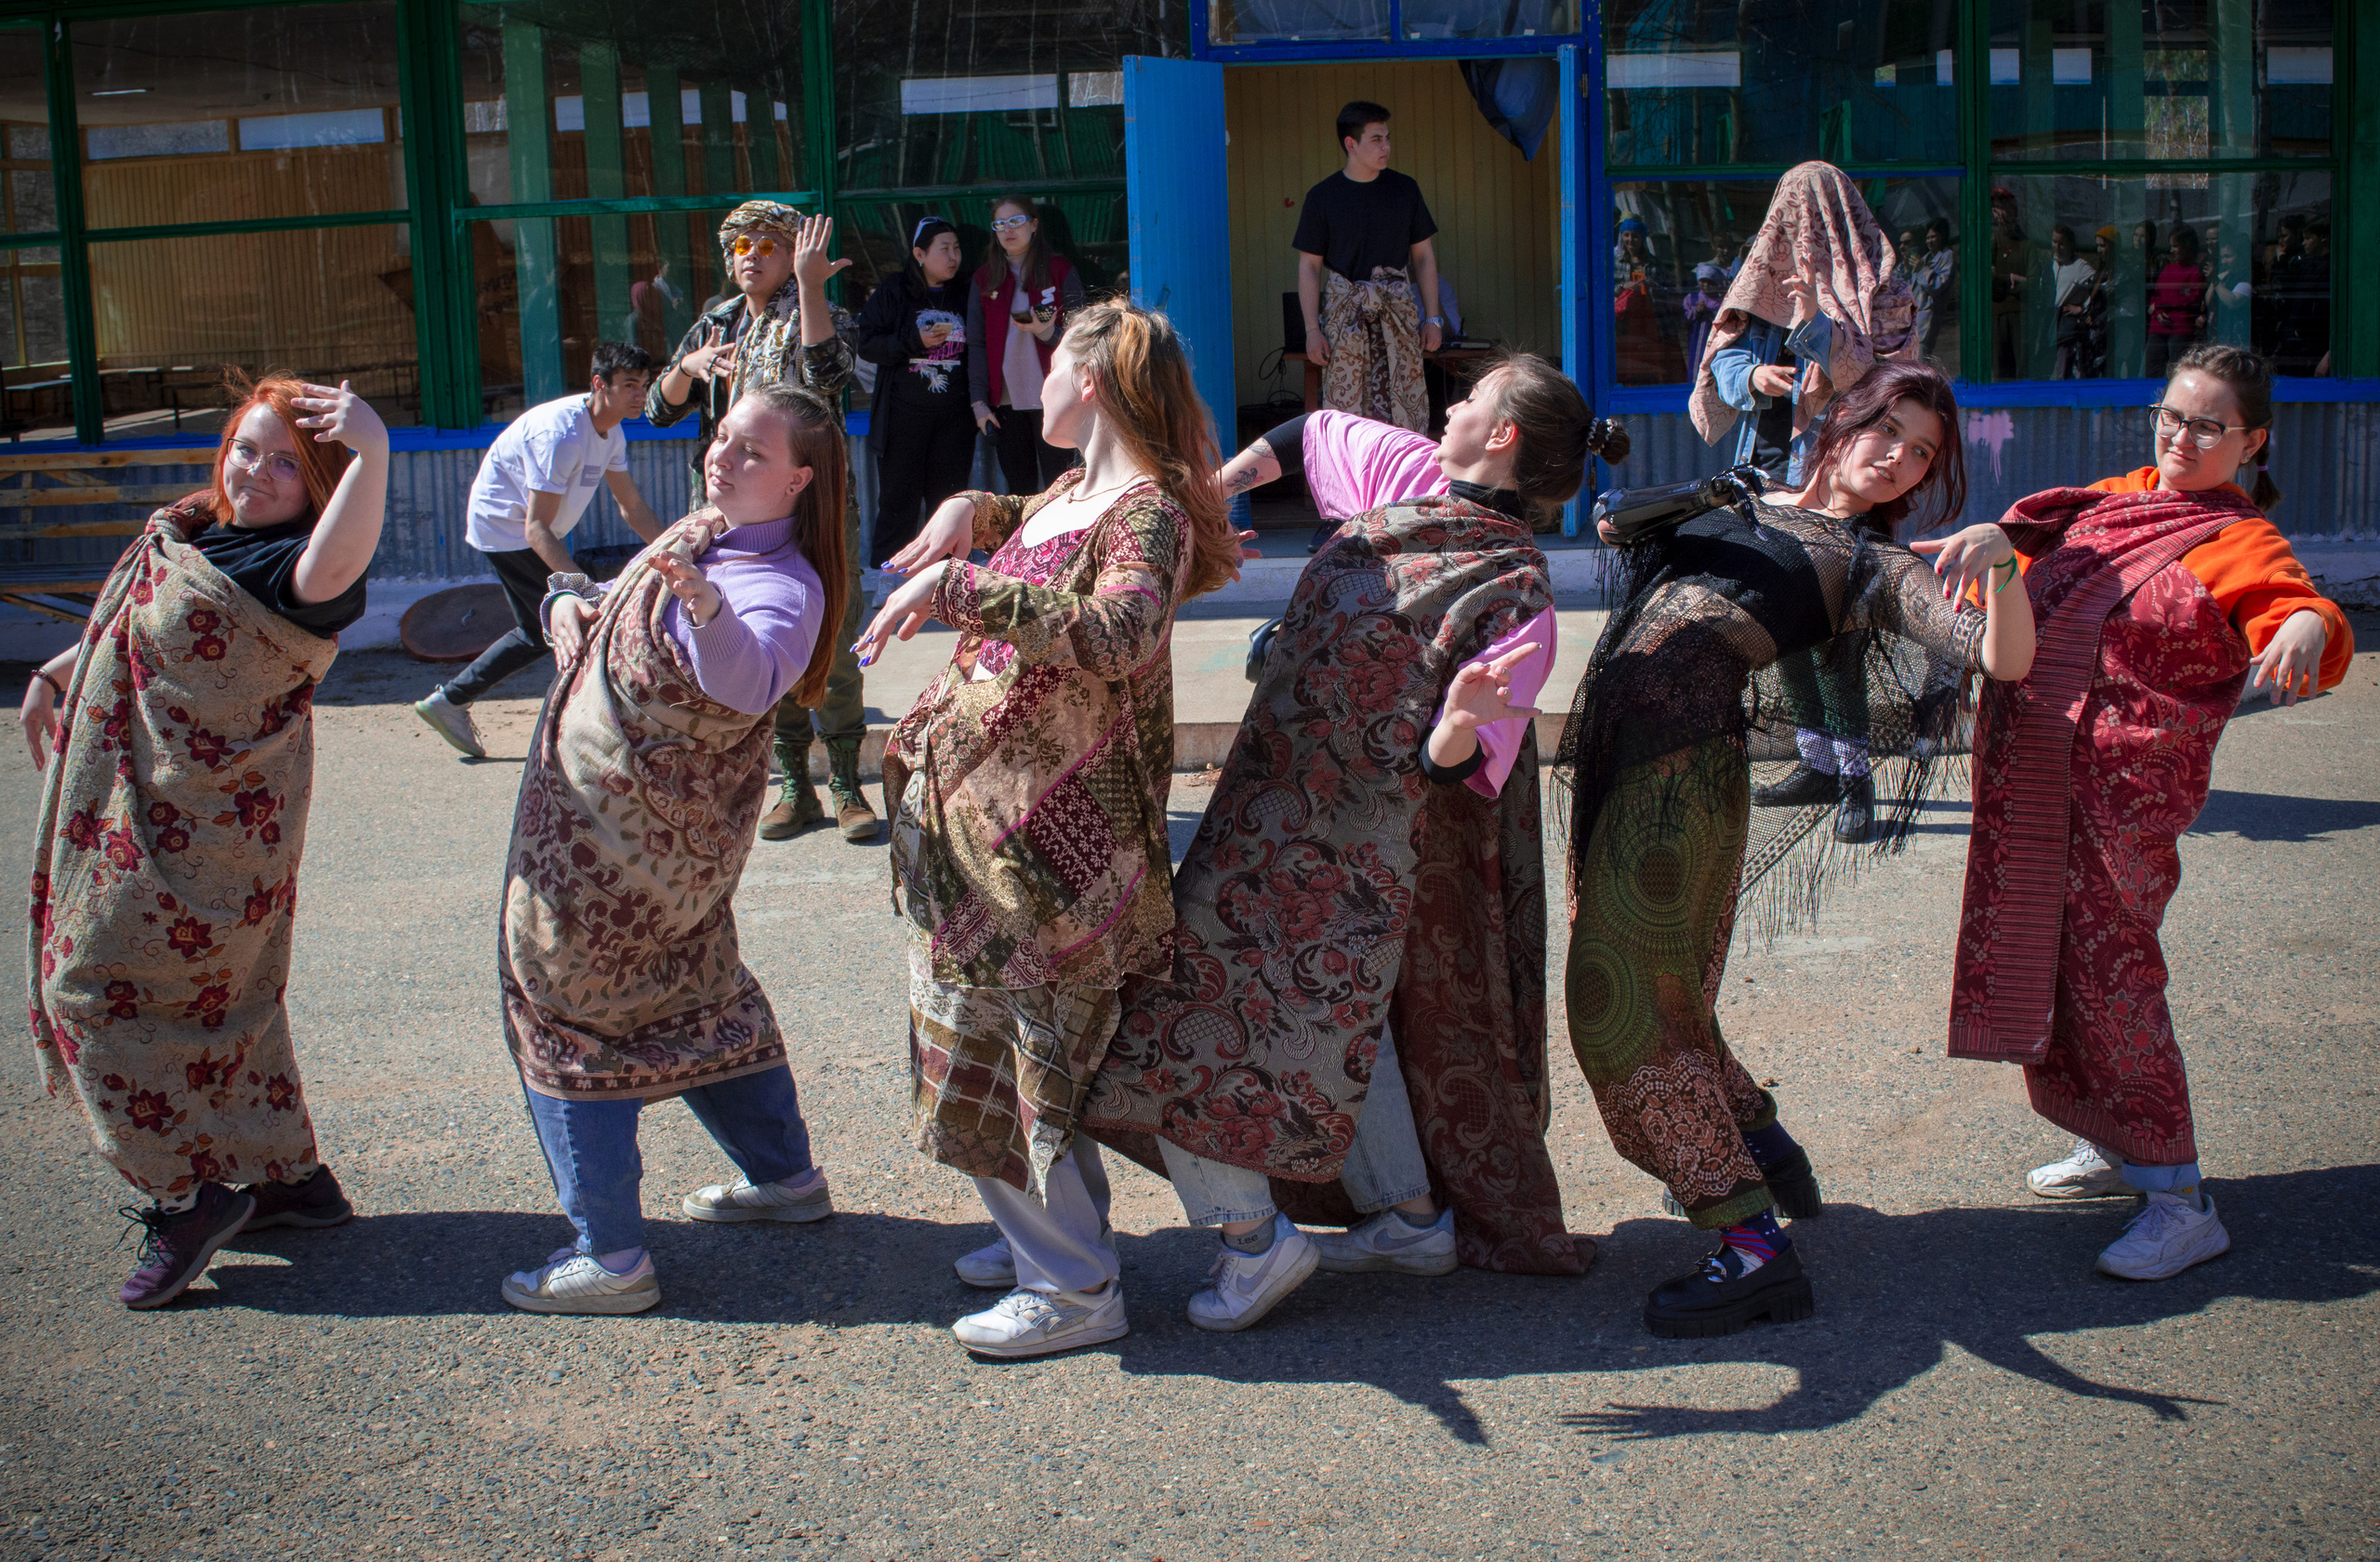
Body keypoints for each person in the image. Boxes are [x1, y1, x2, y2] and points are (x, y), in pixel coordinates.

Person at [1081, 360, 1629, 1332]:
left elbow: (1471, 768)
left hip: (1361, 856)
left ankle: (1250, 1239)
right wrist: (1209, 498)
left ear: (1501, 435)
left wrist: (1456, 724)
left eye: (1472, 398)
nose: (1450, 406)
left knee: (1186, 1012)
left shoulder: (1520, 588)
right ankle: (1409, 1214)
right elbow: (1307, 436)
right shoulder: (1406, 476)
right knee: (1347, 1026)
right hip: (1271, 808)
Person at [1560, 361, 2037, 1338]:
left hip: (1678, 786)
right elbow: (1609, 521)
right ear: (1840, 422)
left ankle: (1750, 1246)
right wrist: (1709, 492)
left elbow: (2002, 658)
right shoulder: (1742, 490)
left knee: (1615, 1013)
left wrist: (2001, 564)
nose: (1897, 460)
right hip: (1619, 764)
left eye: (1921, 455)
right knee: (1662, 997)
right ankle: (1763, 1146)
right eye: (1887, 432)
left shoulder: (1872, 566)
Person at [858, 300, 1237, 1359]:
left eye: (1050, 362)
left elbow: (1117, 636)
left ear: (1098, 381)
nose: (1031, 378)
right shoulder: (1077, 492)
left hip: (1055, 843)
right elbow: (1022, 515)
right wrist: (967, 513)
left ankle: (1071, 1286)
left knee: (1019, 1042)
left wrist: (963, 586)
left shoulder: (1146, 515)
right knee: (987, 1036)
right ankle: (1046, 1233)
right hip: (987, 827)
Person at [1950, 345, 2350, 1282]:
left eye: (2208, 426)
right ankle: (2109, 1137)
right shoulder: (2111, 497)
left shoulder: (2238, 537)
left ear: (2252, 442)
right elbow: (2023, 545)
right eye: (2171, 414)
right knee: (2052, 965)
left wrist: (2307, 624)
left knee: (2114, 976)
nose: (2180, 438)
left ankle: (2179, 1198)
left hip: (2126, 799)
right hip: (2040, 777)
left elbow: (2299, 611)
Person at [22, 375, 390, 1308]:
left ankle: (184, 1199)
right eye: (246, 449)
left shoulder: (295, 572)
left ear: (321, 489)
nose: (258, 473)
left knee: (89, 993)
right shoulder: (190, 533)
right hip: (151, 822)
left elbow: (335, 563)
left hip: (208, 843)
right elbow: (139, 621)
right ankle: (290, 1183)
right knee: (237, 1001)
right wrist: (63, 666)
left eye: (289, 465)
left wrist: (375, 453)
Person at [497, 384, 851, 1316]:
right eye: (722, 440)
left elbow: (749, 679)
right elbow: (617, 612)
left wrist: (701, 609)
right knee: (698, 996)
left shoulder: (779, 581)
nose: (722, 459)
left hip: (612, 877)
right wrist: (574, 609)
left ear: (799, 480)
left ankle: (610, 1257)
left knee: (571, 1015)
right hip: (661, 873)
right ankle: (785, 1182)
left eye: (751, 453)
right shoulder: (704, 535)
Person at [1691, 162, 1918, 845]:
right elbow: (1722, 357)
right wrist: (1752, 374)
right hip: (1768, 477)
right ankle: (1817, 765)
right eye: (1789, 216)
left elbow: (1890, 377)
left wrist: (1818, 324)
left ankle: (1857, 781)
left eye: (1813, 216)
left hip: (1843, 484)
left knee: (1838, 637)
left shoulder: (1885, 288)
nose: (1800, 231)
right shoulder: (1758, 280)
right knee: (1786, 625)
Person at [645, 203, 878, 845]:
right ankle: (794, 787)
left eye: (768, 245)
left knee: (830, 637)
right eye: (741, 245)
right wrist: (681, 373)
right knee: (749, 637)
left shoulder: (822, 310)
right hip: (733, 517)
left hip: (816, 506)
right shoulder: (716, 325)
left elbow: (830, 376)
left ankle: (846, 783)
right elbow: (656, 412)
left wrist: (809, 287)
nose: (751, 255)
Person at [414, 342, 666, 758]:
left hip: (533, 531)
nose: (640, 394)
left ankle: (452, 700)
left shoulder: (612, 431)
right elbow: (535, 529)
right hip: (506, 529)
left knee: (540, 630)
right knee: (575, 622)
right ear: (599, 384)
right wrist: (581, 589)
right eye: (630, 385)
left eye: (644, 384)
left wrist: (674, 550)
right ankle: (591, 731)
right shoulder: (562, 436)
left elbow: (632, 506)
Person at [1294, 100, 1443, 431]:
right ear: (1351, 143)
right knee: (1346, 416)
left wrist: (1432, 318)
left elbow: (1423, 257)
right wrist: (1311, 330)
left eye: (1387, 138)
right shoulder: (1323, 197)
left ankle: (1405, 478)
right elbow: (1309, 267)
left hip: (1399, 316)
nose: (1386, 146)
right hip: (1344, 319)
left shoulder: (1405, 189)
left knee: (1406, 407)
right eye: (1377, 139)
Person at [857, 216, 977, 568]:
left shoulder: (967, 291)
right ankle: (889, 575)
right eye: (944, 249)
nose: (953, 256)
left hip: (954, 420)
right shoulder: (895, 291)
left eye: (957, 248)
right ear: (920, 254)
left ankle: (943, 577)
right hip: (902, 419)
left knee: (948, 502)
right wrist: (914, 340)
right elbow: (867, 345)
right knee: (898, 502)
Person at [966, 194, 1089, 498]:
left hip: (1056, 397)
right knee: (1018, 491)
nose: (1008, 230)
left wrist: (1047, 334)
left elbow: (1085, 338)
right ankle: (1024, 547)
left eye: (1016, 221)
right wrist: (979, 402)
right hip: (1006, 403)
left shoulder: (1059, 269)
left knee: (1060, 487)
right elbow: (977, 344)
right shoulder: (984, 279)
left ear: (1033, 225)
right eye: (1000, 224)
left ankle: (1063, 547)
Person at [2145, 226, 2207, 377]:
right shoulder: (2168, 269)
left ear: (2187, 246)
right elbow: (2156, 296)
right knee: (2151, 371)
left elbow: (2191, 299)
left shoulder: (2196, 272)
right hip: (2158, 327)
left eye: (2175, 246)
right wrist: (2159, 311)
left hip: (2180, 328)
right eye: (2171, 246)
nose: (2172, 250)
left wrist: (2160, 306)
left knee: (2178, 372)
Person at [2047, 226, 2101, 380]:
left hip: (2065, 321)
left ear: (2071, 245)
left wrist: (2082, 307)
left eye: (2061, 243)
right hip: (2048, 318)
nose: (2057, 247)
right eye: (2054, 242)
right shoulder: (2050, 264)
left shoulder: (2080, 266)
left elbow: (2099, 288)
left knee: (2062, 368)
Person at [1912, 218, 1958, 366]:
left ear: (1942, 237)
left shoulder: (1947, 256)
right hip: (1914, 316)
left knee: (1922, 358)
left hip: (1929, 316)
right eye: (1927, 238)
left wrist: (1922, 269)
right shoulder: (1924, 259)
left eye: (1933, 237)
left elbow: (1938, 285)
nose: (1930, 241)